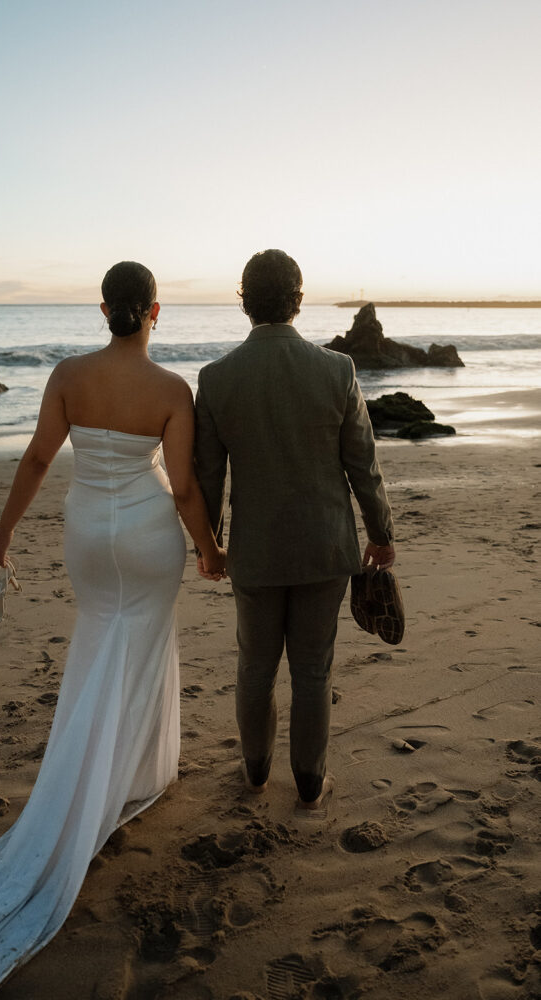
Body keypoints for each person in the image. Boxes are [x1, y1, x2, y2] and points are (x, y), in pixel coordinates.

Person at [0, 261, 226, 996]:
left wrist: (3, 536)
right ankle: (132, 773)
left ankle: (114, 771)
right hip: (150, 532)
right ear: (156, 311)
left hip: (88, 530)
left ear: (103, 309)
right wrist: (209, 548)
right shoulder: (170, 391)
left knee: (100, 637)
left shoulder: (66, 373)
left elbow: (36, 458)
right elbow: (184, 485)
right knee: (145, 644)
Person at [194, 249, 394, 816]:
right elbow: (363, 464)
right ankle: (309, 781)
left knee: (254, 666)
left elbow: (207, 475)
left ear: (244, 304)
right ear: (298, 301)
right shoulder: (337, 370)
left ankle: (255, 772)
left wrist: (208, 545)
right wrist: (380, 533)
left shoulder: (216, 379)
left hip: (254, 555)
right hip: (325, 548)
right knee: (313, 669)